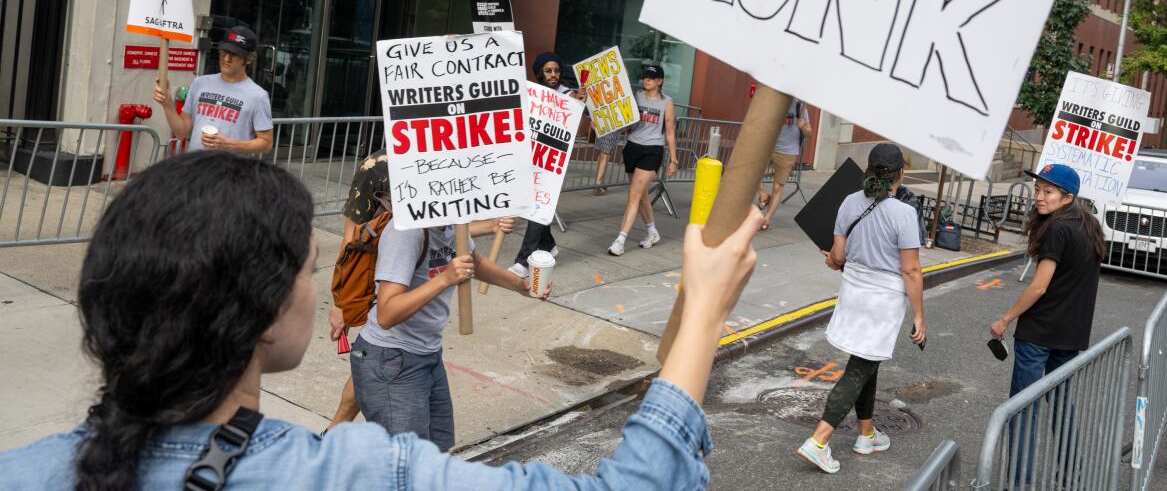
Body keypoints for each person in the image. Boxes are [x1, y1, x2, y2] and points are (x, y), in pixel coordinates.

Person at [0, 149, 764, 490]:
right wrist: (702, 316)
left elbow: (464, 265)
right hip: (392, 359)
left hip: (421, 363)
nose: (326, 285)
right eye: (309, 267)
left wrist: (496, 272)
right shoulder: (364, 471)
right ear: (264, 315)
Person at [326, 150, 512, 429]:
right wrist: (342, 302)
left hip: (411, 283)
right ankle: (334, 436)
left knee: (372, 367)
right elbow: (350, 241)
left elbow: (443, 219)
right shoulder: (376, 167)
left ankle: (334, 434)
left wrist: (491, 225)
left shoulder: (449, 159)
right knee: (378, 354)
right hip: (376, 279)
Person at [797, 143, 926, 474]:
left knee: (868, 362)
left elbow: (837, 257)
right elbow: (911, 270)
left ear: (869, 170)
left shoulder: (850, 202)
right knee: (859, 368)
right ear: (901, 174)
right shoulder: (904, 213)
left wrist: (831, 259)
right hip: (882, 302)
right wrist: (919, 316)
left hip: (853, 293)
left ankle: (866, 433)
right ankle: (819, 441)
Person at [989, 164, 1103, 394]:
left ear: (1067, 198)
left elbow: (1039, 287)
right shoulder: (1090, 226)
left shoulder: (1057, 229)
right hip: (1072, 332)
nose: (1039, 197)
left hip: (1039, 331)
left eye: (1048, 192)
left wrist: (1005, 319)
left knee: (1022, 405)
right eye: (1037, 190)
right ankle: (1069, 434)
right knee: (1061, 404)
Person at [153, 25, 273, 154]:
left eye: (234, 54)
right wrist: (168, 104)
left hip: (232, 171)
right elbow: (182, 132)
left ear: (248, 59)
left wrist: (229, 144)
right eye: (224, 52)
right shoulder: (200, 83)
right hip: (198, 167)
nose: (227, 59)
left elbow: (266, 143)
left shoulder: (258, 96)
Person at [508, 51, 569, 278]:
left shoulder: (569, 95)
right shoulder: (533, 94)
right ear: (540, 73)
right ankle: (549, 245)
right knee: (535, 206)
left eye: (556, 70)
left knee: (538, 208)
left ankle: (523, 261)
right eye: (548, 71)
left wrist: (580, 103)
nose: (553, 75)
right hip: (532, 157)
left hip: (553, 162)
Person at [608, 64, 677, 256]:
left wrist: (674, 160)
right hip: (632, 147)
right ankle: (652, 232)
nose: (647, 79)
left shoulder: (667, 103)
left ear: (659, 81)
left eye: (651, 77)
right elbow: (625, 123)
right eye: (645, 76)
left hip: (653, 149)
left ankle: (620, 240)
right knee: (641, 195)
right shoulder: (636, 97)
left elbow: (670, 133)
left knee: (634, 194)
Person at [762, 97, 811, 229]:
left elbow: (809, 132)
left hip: (788, 151)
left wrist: (803, 127)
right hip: (768, 145)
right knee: (751, 174)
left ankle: (767, 219)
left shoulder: (800, 107)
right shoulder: (774, 101)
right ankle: (763, 195)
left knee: (778, 186)